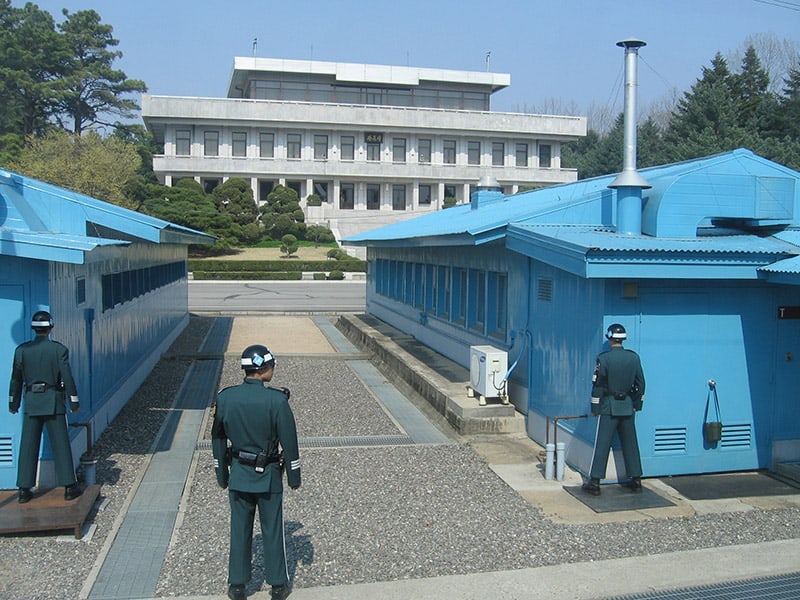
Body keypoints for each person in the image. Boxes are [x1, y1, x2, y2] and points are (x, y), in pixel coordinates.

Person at [212, 344, 301, 600]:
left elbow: (218, 438)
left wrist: (221, 473)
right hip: (269, 475)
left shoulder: (225, 398)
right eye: (271, 365)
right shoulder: (276, 400)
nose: (273, 369)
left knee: (239, 528)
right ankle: (277, 584)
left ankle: (237, 584)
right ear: (263, 368)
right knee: (272, 528)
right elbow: (289, 442)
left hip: (239, 473)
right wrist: (294, 476)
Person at [8, 310, 82, 503]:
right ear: (50, 328)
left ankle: (24, 489)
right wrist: (74, 400)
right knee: (61, 444)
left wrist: (13, 402)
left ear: (33, 328)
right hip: (53, 400)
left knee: (28, 445)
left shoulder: (22, 351)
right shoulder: (59, 350)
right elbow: (67, 376)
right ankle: (69, 487)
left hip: (32, 401)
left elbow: (15, 379)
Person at [582, 323, 645, 496]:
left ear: (610, 338)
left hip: (609, 406)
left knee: (602, 443)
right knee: (631, 443)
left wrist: (595, 406)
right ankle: (636, 479)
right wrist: (636, 404)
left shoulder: (604, 359)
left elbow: (598, 386)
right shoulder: (634, 358)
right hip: (627, 405)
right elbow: (641, 384)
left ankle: (595, 481)